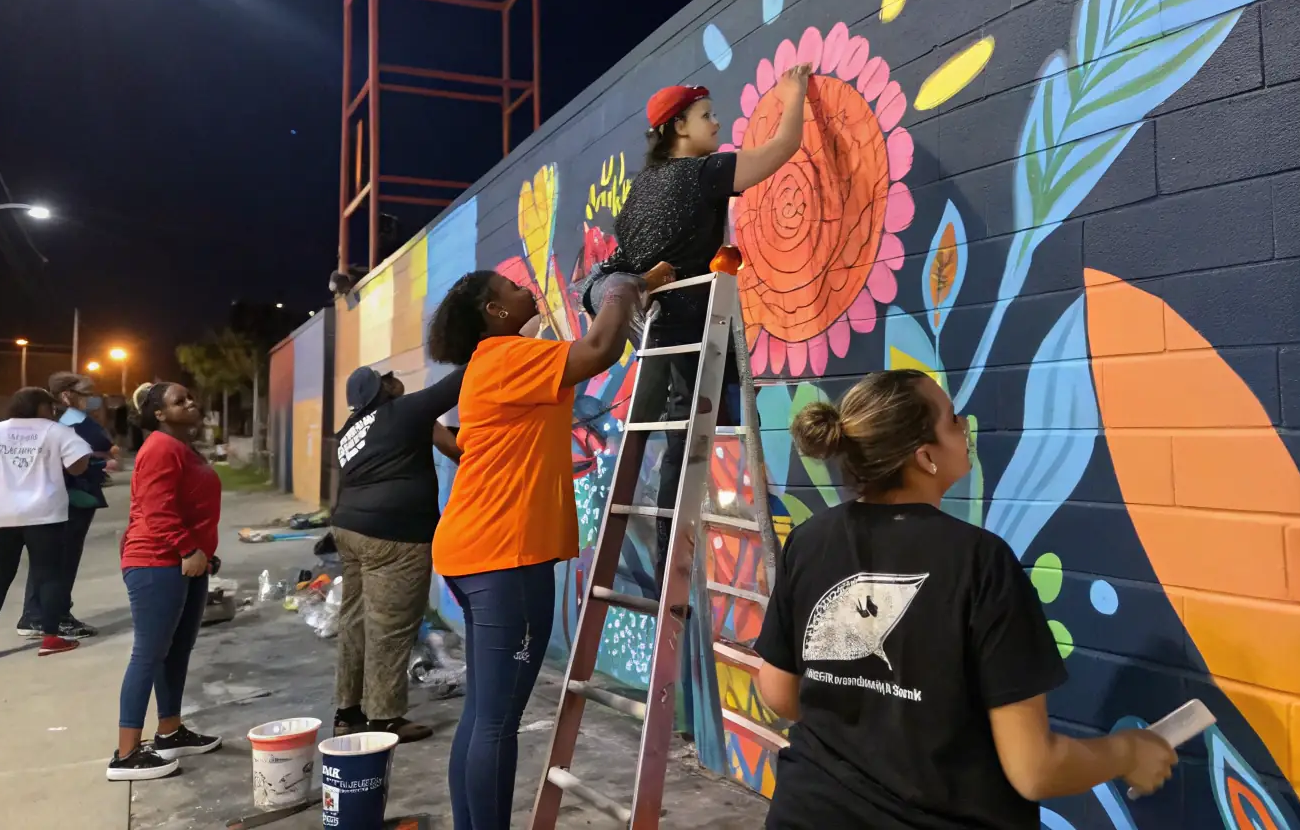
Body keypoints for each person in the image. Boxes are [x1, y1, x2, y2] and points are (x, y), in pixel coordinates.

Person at [753, 369, 1177, 829]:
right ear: (925, 458)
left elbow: (778, 691)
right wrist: (1129, 752)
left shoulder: (809, 540)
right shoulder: (981, 562)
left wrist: (866, 727)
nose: (966, 425)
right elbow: (1035, 770)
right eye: (953, 420)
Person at [427, 265, 665, 830]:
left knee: (483, 716)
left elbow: (590, 341)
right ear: (494, 311)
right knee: (496, 722)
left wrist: (640, 280)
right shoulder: (505, 356)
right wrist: (615, 289)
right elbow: (600, 349)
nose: (522, 288)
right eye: (509, 288)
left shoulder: (499, 362)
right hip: (502, 556)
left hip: (483, 551)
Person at [580, 64, 812, 570]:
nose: (718, 124)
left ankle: (668, 564)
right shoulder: (701, 174)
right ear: (678, 127)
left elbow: (625, 262)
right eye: (707, 116)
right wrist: (795, 93)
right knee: (706, 450)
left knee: (678, 452)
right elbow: (780, 150)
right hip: (703, 335)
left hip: (662, 336)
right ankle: (694, 566)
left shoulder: (639, 191)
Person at [331, 363, 466, 741]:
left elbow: (445, 443)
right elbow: (457, 382)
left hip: (350, 529)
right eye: (387, 378)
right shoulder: (402, 411)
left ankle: (348, 711)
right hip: (394, 536)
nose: (396, 380)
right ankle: (385, 718)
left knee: (355, 621)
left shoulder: (350, 430)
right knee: (390, 628)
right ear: (383, 390)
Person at [107, 382, 223, 782]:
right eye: (179, 400)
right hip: (156, 562)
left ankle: (170, 732)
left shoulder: (181, 447)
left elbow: (188, 505)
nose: (191, 401)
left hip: (185, 561)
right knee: (149, 653)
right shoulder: (160, 448)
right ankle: (125, 755)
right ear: (158, 413)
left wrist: (202, 552)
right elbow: (157, 511)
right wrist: (186, 548)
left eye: (191, 396)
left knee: (176, 651)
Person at [0, 387, 93, 662]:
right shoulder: (55, 431)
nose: (53, 410)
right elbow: (78, 465)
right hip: (43, 512)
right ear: (40, 407)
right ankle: (51, 637)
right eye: (49, 405)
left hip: (0, 512)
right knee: (49, 575)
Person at [17, 372, 117, 640]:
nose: (91, 399)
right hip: (70, 495)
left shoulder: (62, 420)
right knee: (61, 559)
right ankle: (51, 616)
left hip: (70, 494)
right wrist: (99, 458)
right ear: (66, 395)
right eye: (84, 393)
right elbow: (93, 446)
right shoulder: (66, 421)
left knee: (51, 559)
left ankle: (38, 615)